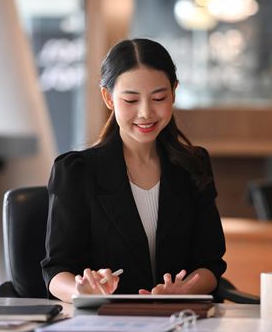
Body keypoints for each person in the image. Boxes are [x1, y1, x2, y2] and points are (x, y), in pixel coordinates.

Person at [41, 38, 227, 303]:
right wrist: (82, 291)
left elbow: (210, 263)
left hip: (180, 319)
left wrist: (186, 290)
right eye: (130, 100)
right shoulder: (76, 171)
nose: (145, 113)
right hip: (105, 323)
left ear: (174, 92)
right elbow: (56, 270)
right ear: (108, 97)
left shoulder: (192, 165)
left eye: (159, 98)